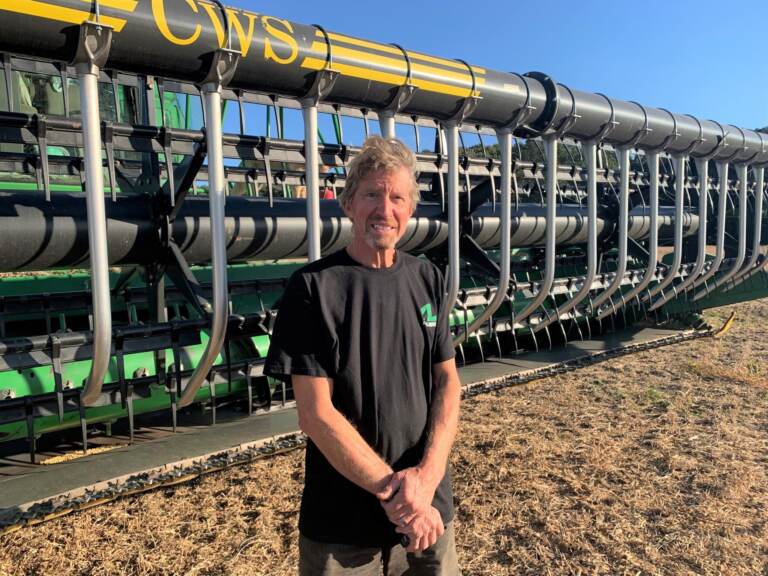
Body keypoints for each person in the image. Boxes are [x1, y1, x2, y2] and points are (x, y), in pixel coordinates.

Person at [265, 136, 462, 575]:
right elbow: (315, 414)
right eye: (372, 194)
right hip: (344, 528)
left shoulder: (427, 278)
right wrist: (400, 497)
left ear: (411, 210)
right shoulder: (314, 289)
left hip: (430, 516)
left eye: (397, 197)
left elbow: (447, 383)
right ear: (349, 203)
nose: (384, 209)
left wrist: (426, 481)